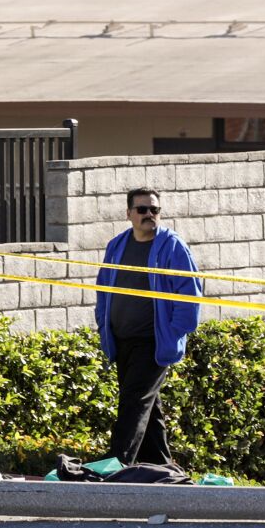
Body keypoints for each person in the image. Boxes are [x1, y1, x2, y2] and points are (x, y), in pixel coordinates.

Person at [94, 187, 202, 468]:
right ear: (129, 214)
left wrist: (173, 331)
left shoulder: (172, 246)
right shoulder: (117, 245)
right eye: (142, 210)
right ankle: (161, 465)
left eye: (154, 210)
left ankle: (117, 464)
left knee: (133, 401)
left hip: (153, 341)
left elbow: (189, 294)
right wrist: (102, 323)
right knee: (148, 407)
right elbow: (103, 288)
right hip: (122, 339)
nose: (149, 215)